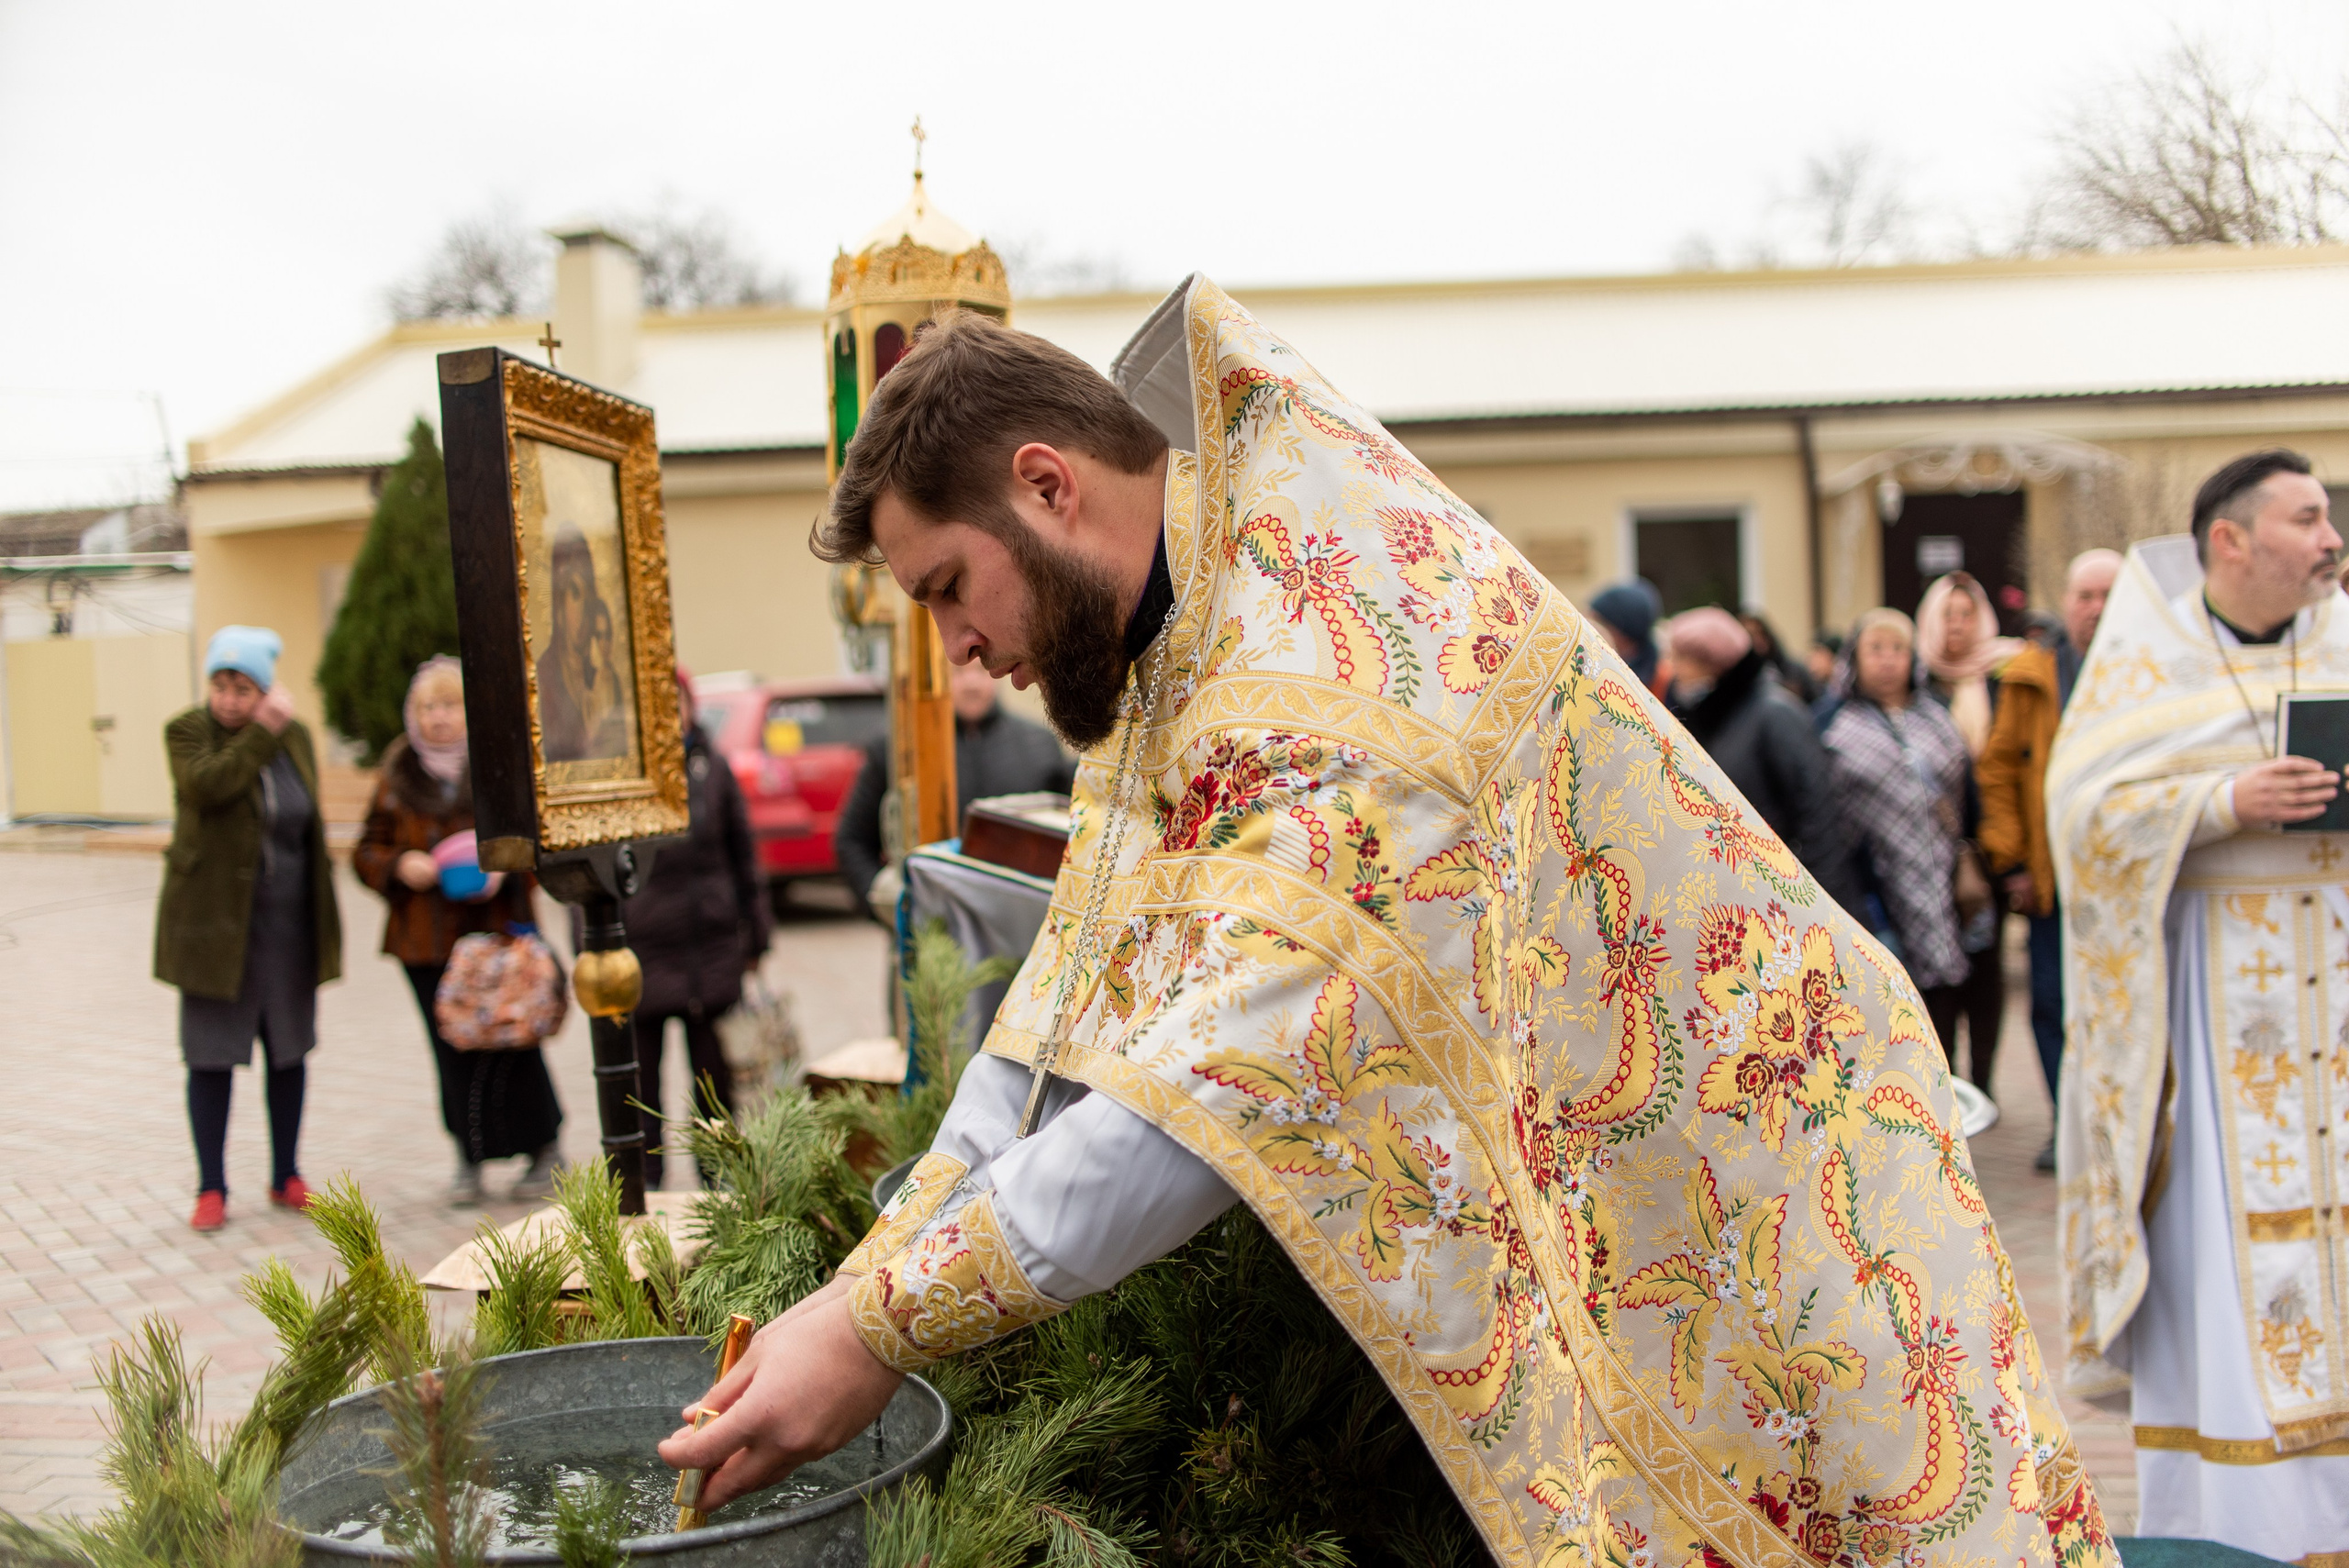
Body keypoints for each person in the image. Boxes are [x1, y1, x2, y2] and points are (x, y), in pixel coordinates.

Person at [658, 285, 2114, 1562]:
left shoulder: (1332, 650)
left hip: (1760, 1198)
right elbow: (1053, 1029)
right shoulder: (1180, 648)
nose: (959, 647)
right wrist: (854, 1287)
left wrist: (875, 1331)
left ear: (1046, 487)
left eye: (944, 589)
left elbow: (1201, 1095)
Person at [2050, 450, 2349, 1559]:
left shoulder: (2342, 635)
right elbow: (2082, 816)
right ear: (2231, 539)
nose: (2330, 539)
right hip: (2213, 1017)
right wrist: (2220, 799)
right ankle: (2245, 1529)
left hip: (2339, 989)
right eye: (2306, 518)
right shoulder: (2147, 656)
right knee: (2230, 1260)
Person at [352, 658, 562, 1205]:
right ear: (413, 714)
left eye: (449, 705)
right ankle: (469, 1159)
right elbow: (366, 850)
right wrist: (400, 865)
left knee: (513, 1041)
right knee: (452, 1052)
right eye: (428, 707)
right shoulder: (397, 776)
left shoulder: (496, 767)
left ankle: (543, 1147)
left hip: (496, 938)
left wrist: (503, 869)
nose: (439, 717)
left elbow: (535, 841)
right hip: (426, 942)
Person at [155, 626, 340, 1231]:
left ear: (265, 689)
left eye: (243, 689)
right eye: (221, 686)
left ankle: (287, 1173)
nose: (229, 700)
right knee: (210, 1056)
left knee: (289, 1051)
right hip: (213, 929)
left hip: (287, 926)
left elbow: (307, 820)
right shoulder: (187, 732)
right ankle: (211, 1186)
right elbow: (209, 786)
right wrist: (262, 733)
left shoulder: (297, 737)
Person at [1976, 550, 2121, 1172]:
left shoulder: (2147, 673)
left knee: (2119, 1004)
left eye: (2108, 594)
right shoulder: (2030, 675)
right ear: (2067, 602)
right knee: (2051, 1003)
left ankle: (2118, 1125)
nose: (2096, 608)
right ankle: (2068, 1123)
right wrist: (2012, 861)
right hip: (2051, 876)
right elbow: (1999, 770)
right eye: (2085, 595)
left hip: (2123, 880)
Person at [1820, 609, 1994, 1083]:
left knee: (1974, 988)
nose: (1887, 661)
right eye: (1876, 649)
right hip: (1881, 886)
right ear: (1855, 658)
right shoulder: (1835, 727)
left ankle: (1975, 1091)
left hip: (1951, 878)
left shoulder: (1935, 717)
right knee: (1910, 1004)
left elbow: (1968, 794)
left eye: (1898, 649)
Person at [617, 670, 773, 1188]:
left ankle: (719, 1182)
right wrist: (592, 946)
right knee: (638, 1085)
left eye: (676, 700)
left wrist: (756, 933)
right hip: (641, 950)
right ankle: (644, 1186)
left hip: (709, 948)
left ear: (690, 707)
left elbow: (743, 853)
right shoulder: (619, 776)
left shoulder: (713, 767)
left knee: (714, 1082)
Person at [834, 657, 1074, 913]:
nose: (971, 683)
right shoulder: (899, 747)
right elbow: (852, 839)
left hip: (1020, 921)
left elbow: (1069, 835)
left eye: (981, 669)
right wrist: (893, 909)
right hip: (933, 923)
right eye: (957, 672)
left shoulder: (1039, 744)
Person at [1664, 606, 1855, 910]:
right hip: (1745, 892)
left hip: (1787, 893)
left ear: (1712, 662)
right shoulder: (1712, 715)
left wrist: (1820, 904)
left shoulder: (1775, 714)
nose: (1675, 670)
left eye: (1682, 659)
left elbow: (1817, 810)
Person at [1911, 570, 2012, 1094]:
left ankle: (1986, 1081)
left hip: (1988, 844)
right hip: (1928, 848)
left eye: (1967, 615)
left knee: (1986, 967)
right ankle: (1949, 1086)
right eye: (1948, 615)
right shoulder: (1917, 682)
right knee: (1941, 973)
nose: (1957, 625)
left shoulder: (1999, 678)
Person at [538, 525, 630, 762]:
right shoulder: (543, 676)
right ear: (559, 604)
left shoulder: (602, 676)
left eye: (589, 596)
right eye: (575, 594)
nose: (584, 611)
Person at [1585, 578, 1669, 697]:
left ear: (1621, 634)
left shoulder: (1662, 682)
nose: (1589, 628)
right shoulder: (1591, 663)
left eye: (1597, 622)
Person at [1737, 609, 1817, 705]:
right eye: (1751, 635)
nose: (1758, 640)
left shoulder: (1795, 671)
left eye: (1761, 633)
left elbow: (1816, 703)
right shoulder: (1740, 680)